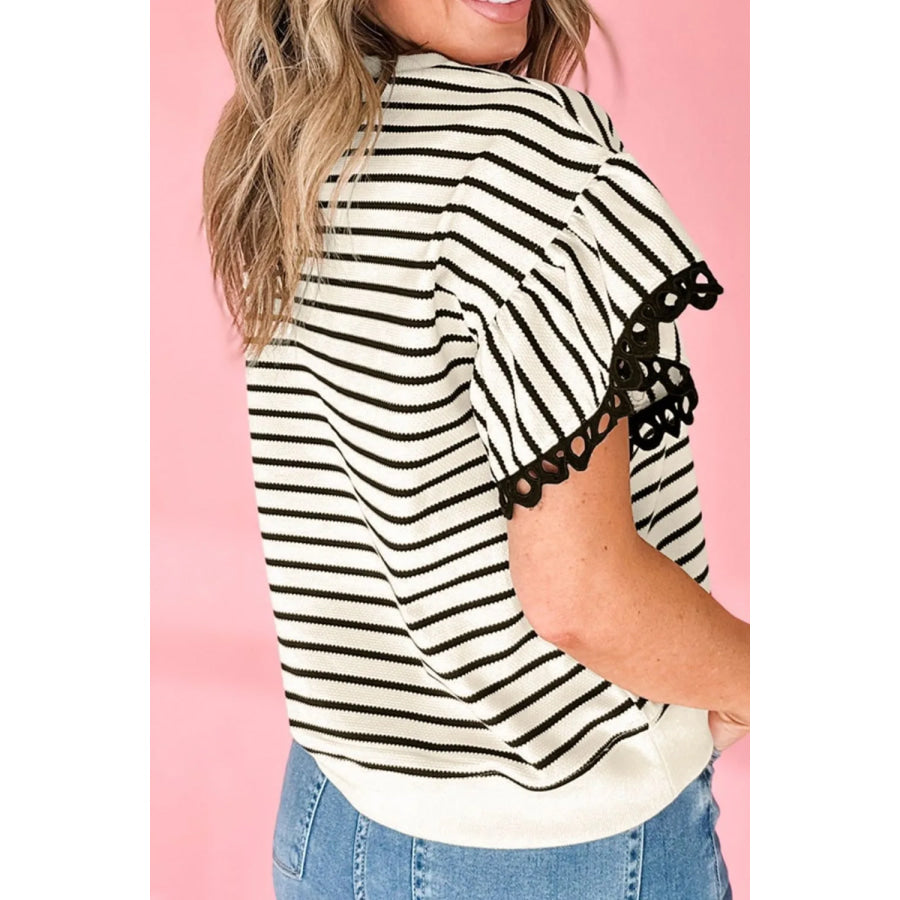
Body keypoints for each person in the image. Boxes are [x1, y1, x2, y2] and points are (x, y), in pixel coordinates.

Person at [202, 0, 750, 897]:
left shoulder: (293, 151)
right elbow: (581, 596)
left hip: (331, 818)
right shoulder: (527, 156)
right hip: (558, 846)